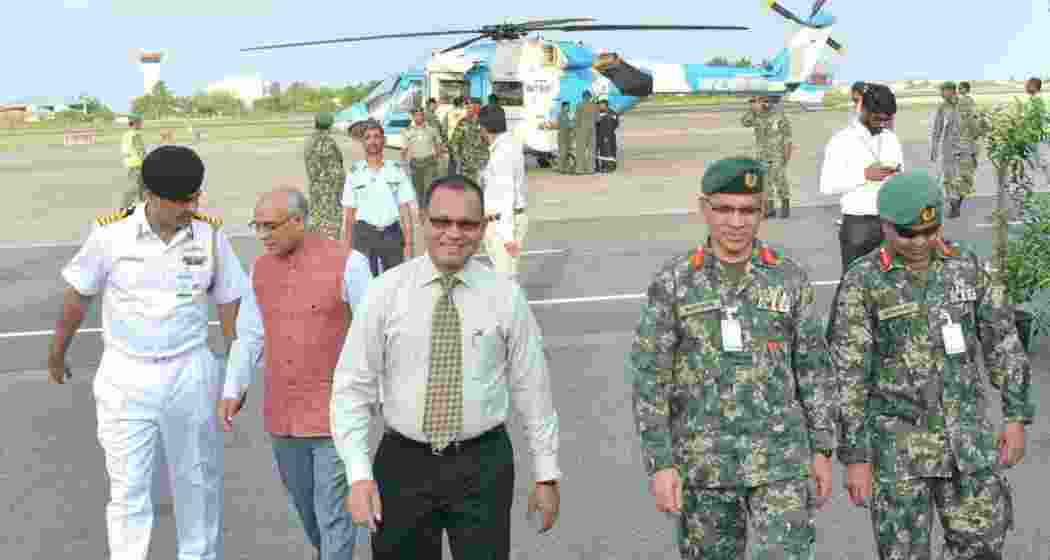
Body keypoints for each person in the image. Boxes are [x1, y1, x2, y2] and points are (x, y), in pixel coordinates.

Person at [331, 175, 562, 559]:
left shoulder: (505, 297)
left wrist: (546, 474)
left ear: (483, 227)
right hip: (403, 465)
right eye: (441, 221)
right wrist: (358, 475)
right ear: (423, 222)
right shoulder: (385, 293)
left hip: (482, 465)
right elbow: (352, 388)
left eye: (467, 224)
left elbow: (533, 390)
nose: (453, 233)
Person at [629, 156, 836, 559]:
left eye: (748, 210)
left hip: (781, 461)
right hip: (704, 464)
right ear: (704, 208)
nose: (736, 222)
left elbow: (813, 368)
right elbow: (651, 378)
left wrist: (823, 449)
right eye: (724, 209)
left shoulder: (788, 278)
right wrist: (661, 463)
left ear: (762, 211)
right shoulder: (675, 282)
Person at [48, 145, 247, 560]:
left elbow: (230, 306)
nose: (191, 207)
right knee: (128, 488)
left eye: (195, 197)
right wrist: (57, 352)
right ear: (151, 196)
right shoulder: (110, 236)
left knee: (196, 482)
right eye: (182, 200)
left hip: (190, 370)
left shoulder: (209, 236)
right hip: (127, 375)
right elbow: (77, 297)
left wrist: (236, 373)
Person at [827, 169, 1034, 560]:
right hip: (899, 454)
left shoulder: (966, 267)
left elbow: (1003, 342)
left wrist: (1016, 417)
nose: (921, 242)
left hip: (968, 446)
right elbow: (847, 377)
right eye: (908, 233)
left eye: (930, 229)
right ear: (884, 225)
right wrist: (856, 457)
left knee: (982, 548)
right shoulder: (863, 282)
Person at [220, 187, 373, 560]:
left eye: (270, 227)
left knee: (334, 515)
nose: (262, 235)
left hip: (335, 417)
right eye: (257, 227)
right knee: (309, 513)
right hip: (283, 417)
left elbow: (373, 333)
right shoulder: (259, 269)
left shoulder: (349, 263)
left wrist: (374, 394)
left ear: (299, 221)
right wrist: (232, 388)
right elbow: (250, 336)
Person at [819, 82, 903, 275]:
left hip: (891, 224)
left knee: (892, 287)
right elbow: (826, 185)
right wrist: (864, 175)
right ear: (863, 109)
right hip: (858, 227)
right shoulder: (842, 140)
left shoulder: (891, 139)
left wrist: (897, 178)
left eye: (886, 119)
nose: (882, 124)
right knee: (853, 289)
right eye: (877, 118)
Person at [342, 121, 416, 276]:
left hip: (392, 235)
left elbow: (405, 210)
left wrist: (409, 245)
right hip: (364, 236)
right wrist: (346, 250)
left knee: (395, 283)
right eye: (368, 137)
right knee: (367, 285)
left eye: (377, 136)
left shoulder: (396, 170)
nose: (373, 141)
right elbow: (349, 216)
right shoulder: (354, 173)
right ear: (363, 142)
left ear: (384, 140)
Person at [479, 104, 528, 280]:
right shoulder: (511, 145)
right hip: (508, 219)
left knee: (503, 282)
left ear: (483, 128)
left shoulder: (501, 153)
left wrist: (507, 236)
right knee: (508, 280)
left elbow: (506, 195)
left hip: (503, 223)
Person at [742, 95, 794, 218]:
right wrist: (752, 109)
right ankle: (769, 209)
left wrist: (787, 154)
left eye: (766, 101)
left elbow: (787, 137)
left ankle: (785, 206)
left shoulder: (779, 116)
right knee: (765, 182)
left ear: (771, 102)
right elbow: (745, 122)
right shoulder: (757, 115)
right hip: (762, 154)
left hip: (777, 154)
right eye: (761, 102)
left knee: (780, 180)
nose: (764, 104)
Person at [304, 112, 347, 240]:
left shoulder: (310, 141)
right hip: (328, 195)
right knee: (330, 232)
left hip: (315, 191)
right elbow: (336, 173)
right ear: (330, 125)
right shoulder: (327, 142)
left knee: (316, 228)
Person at [930, 82, 970, 219]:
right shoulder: (942, 108)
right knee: (948, 178)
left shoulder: (966, 104)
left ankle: (958, 202)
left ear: (951, 91)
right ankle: (954, 206)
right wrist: (934, 148)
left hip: (965, 148)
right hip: (948, 149)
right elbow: (937, 128)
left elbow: (976, 126)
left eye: (943, 91)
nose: (941, 94)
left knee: (964, 178)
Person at [403, 107, 443, 205]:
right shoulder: (407, 131)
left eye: (421, 115)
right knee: (418, 188)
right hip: (415, 163)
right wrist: (404, 163)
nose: (419, 117)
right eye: (416, 115)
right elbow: (404, 149)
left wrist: (438, 156)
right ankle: (422, 208)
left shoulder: (432, 130)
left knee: (429, 186)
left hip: (429, 162)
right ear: (413, 117)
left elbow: (438, 144)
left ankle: (430, 207)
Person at [450, 98, 489, 185]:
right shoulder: (463, 123)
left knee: (482, 192)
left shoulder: (486, 122)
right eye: (467, 107)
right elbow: (454, 143)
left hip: (482, 166)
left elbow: (492, 142)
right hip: (466, 167)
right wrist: (458, 160)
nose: (467, 110)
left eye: (470, 107)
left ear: (477, 108)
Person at [120, 112, 147, 208]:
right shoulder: (135, 135)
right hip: (137, 165)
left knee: (143, 188)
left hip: (131, 164)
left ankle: (144, 206)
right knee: (135, 188)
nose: (142, 124)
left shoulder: (126, 135)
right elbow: (140, 150)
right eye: (140, 122)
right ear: (135, 123)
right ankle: (124, 209)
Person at [573, 91, 597, 175]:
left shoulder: (579, 105)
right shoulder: (594, 105)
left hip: (581, 130)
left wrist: (575, 131)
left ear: (583, 97)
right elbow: (597, 119)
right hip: (592, 130)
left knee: (580, 150)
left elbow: (576, 119)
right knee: (591, 150)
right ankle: (591, 169)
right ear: (590, 97)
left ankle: (580, 169)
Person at [444, 96, 468, 175]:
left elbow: (444, 127)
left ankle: (451, 177)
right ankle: (461, 178)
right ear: (462, 103)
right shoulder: (465, 112)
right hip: (463, 139)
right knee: (463, 160)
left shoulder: (449, 113)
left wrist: (445, 140)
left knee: (452, 160)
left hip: (451, 139)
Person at [595, 99, 620, 173]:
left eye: (601, 105)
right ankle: (604, 166)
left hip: (608, 135)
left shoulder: (611, 113)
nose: (599, 106)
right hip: (601, 135)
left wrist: (607, 134)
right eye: (599, 105)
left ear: (605, 105)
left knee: (608, 152)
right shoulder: (600, 113)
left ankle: (609, 167)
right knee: (603, 152)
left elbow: (614, 124)